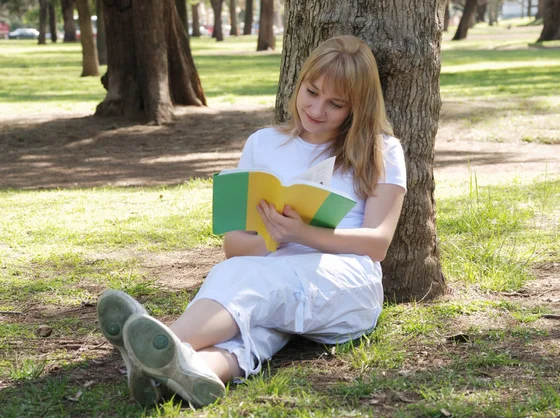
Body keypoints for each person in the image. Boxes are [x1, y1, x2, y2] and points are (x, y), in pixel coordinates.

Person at [97, 34, 407, 408]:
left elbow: (378, 242)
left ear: (356, 108)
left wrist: (302, 232)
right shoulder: (263, 144)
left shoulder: (381, 149)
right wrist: (276, 237)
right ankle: (184, 370)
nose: (317, 109)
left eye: (335, 104)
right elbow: (234, 246)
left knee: (253, 283)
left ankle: (153, 344)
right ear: (300, 82)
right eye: (311, 92)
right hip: (269, 278)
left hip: (344, 285)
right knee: (249, 308)